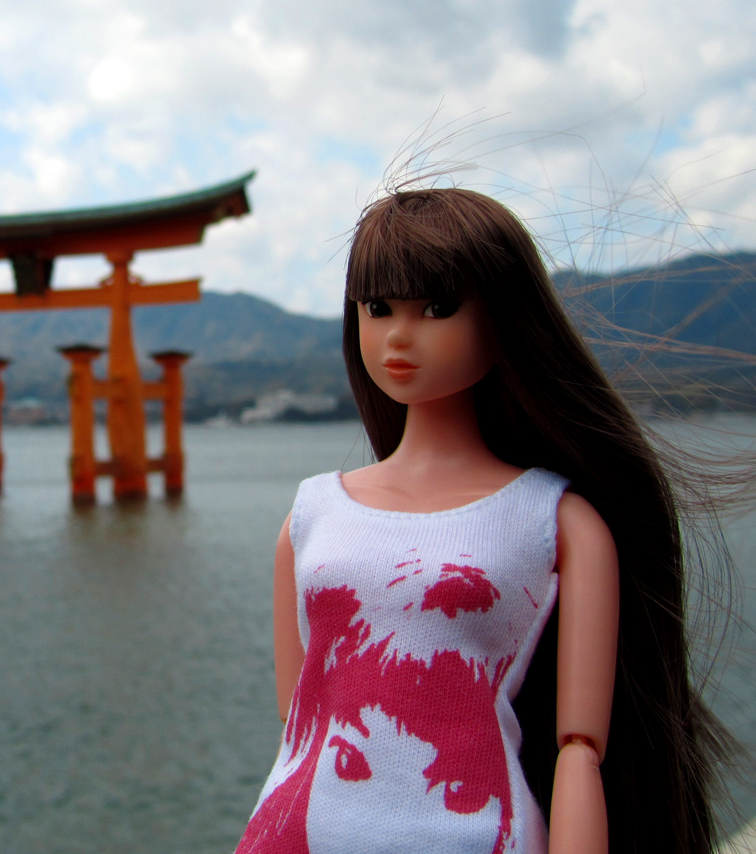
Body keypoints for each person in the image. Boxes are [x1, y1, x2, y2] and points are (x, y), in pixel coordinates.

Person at [235, 189, 731, 854]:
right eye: (377, 308)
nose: (399, 335)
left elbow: (580, 747)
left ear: (504, 322)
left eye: (438, 308)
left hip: (468, 829)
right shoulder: (311, 514)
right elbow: (299, 724)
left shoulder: (553, 519)